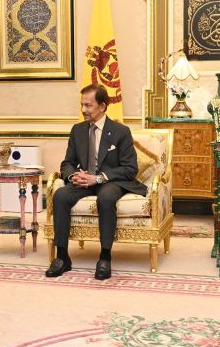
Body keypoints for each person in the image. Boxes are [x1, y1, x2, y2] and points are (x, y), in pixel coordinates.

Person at [46, 84, 147, 281]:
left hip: (110, 181)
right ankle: (62, 256)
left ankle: (105, 257)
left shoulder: (120, 131)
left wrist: (99, 178)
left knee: (106, 198)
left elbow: (130, 168)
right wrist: (73, 176)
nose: (83, 110)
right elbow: (67, 163)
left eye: (88, 105)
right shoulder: (77, 130)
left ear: (102, 106)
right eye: (82, 105)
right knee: (60, 195)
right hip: (84, 181)